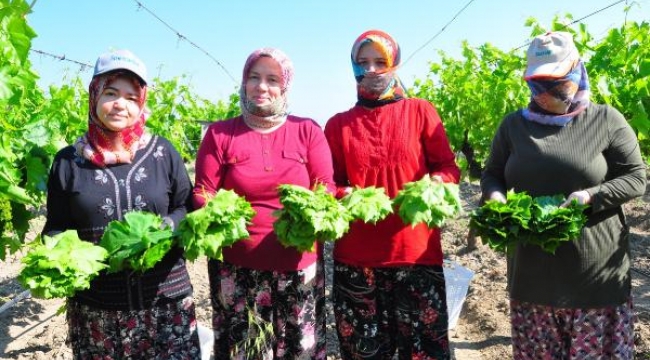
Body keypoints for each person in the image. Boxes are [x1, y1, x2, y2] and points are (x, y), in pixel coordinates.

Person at [481, 31, 647, 359]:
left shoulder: (605, 120)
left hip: (595, 285)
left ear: (576, 71)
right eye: (537, 84)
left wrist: (591, 196)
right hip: (531, 283)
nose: (545, 93)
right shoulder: (513, 126)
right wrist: (496, 196)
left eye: (556, 82)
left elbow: (636, 178)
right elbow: (491, 174)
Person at [43, 49, 201, 359]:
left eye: (131, 97)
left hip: (165, 305)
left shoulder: (162, 153)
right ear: (95, 95)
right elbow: (56, 226)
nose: (120, 104)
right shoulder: (68, 162)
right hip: (98, 311)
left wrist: (167, 226)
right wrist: (64, 253)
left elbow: (187, 206)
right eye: (111, 93)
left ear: (141, 102)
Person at [323, 30, 460, 359]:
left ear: (395, 64)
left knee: (423, 351)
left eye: (379, 61)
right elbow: (329, 184)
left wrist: (438, 183)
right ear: (353, 67)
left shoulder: (420, 111)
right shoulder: (338, 125)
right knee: (364, 351)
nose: (371, 70)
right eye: (362, 62)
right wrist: (348, 194)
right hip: (357, 259)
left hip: (415, 254)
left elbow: (447, 166)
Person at [193, 47, 334, 360]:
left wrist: (318, 208)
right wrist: (215, 212)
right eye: (254, 77)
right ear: (244, 83)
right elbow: (204, 191)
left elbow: (325, 186)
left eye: (272, 79)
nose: (261, 86)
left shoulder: (307, 130)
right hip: (237, 267)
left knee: (299, 349)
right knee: (246, 349)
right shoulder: (220, 134)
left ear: (284, 86)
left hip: (298, 266)